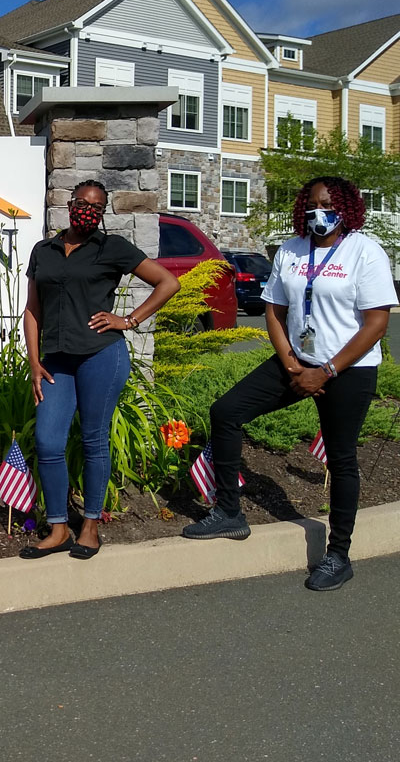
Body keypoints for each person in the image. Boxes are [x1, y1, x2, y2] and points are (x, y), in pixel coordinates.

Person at [182, 176, 395, 590]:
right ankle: (229, 513)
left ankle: (338, 555)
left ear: (347, 207)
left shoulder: (365, 251)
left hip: (347, 370)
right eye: (312, 205)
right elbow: (274, 311)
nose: (320, 212)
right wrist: (292, 364)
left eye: (329, 204)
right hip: (297, 362)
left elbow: (377, 324)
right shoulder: (292, 250)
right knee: (226, 411)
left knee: (341, 458)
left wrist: (327, 371)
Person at [21, 180, 180, 560]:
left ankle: (90, 526)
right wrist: (34, 362)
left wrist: (129, 320)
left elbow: (167, 282)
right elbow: (32, 309)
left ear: (103, 211)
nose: (88, 210)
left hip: (100, 356)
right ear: (70, 204)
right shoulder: (44, 250)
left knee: (94, 439)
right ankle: (59, 528)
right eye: (82, 203)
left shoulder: (112, 248)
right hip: (56, 361)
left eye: (97, 205)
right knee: (48, 441)